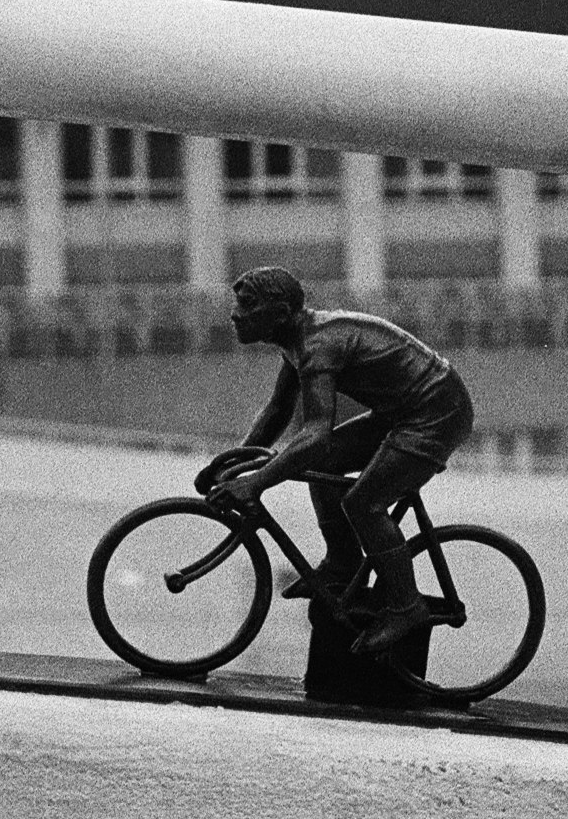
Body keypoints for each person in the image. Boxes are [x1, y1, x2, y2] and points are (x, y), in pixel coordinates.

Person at [196, 268, 475, 656]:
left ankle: (406, 606)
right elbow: (278, 410)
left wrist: (256, 481)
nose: (235, 314)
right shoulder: (297, 341)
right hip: (405, 409)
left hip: (435, 413)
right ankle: (343, 563)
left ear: (279, 314)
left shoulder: (316, 346)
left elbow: (314, 437)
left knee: (364, 504)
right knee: (323, 467)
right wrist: (234, 460)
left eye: (247, 305)